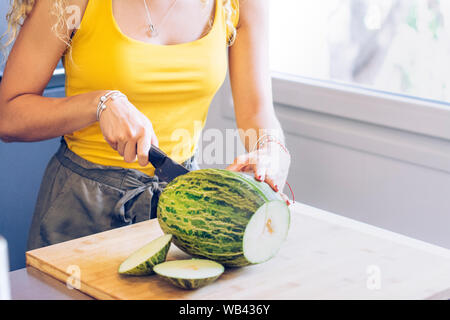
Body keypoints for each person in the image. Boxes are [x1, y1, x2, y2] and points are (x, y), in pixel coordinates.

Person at [0, 0, 291, 250]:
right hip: (81, 206)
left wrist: (270, 149)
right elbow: (8, 115)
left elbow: (257, 110)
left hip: (182, 204)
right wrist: (99, 103)